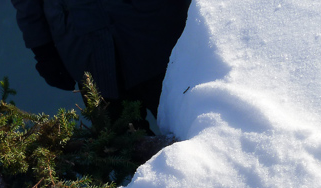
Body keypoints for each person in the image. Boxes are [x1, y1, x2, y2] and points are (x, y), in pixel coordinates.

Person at [11, 0, 191, 125]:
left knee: (191, 123)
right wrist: (43, 50)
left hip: (154, 34)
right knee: (122, 148)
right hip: (86, 51)